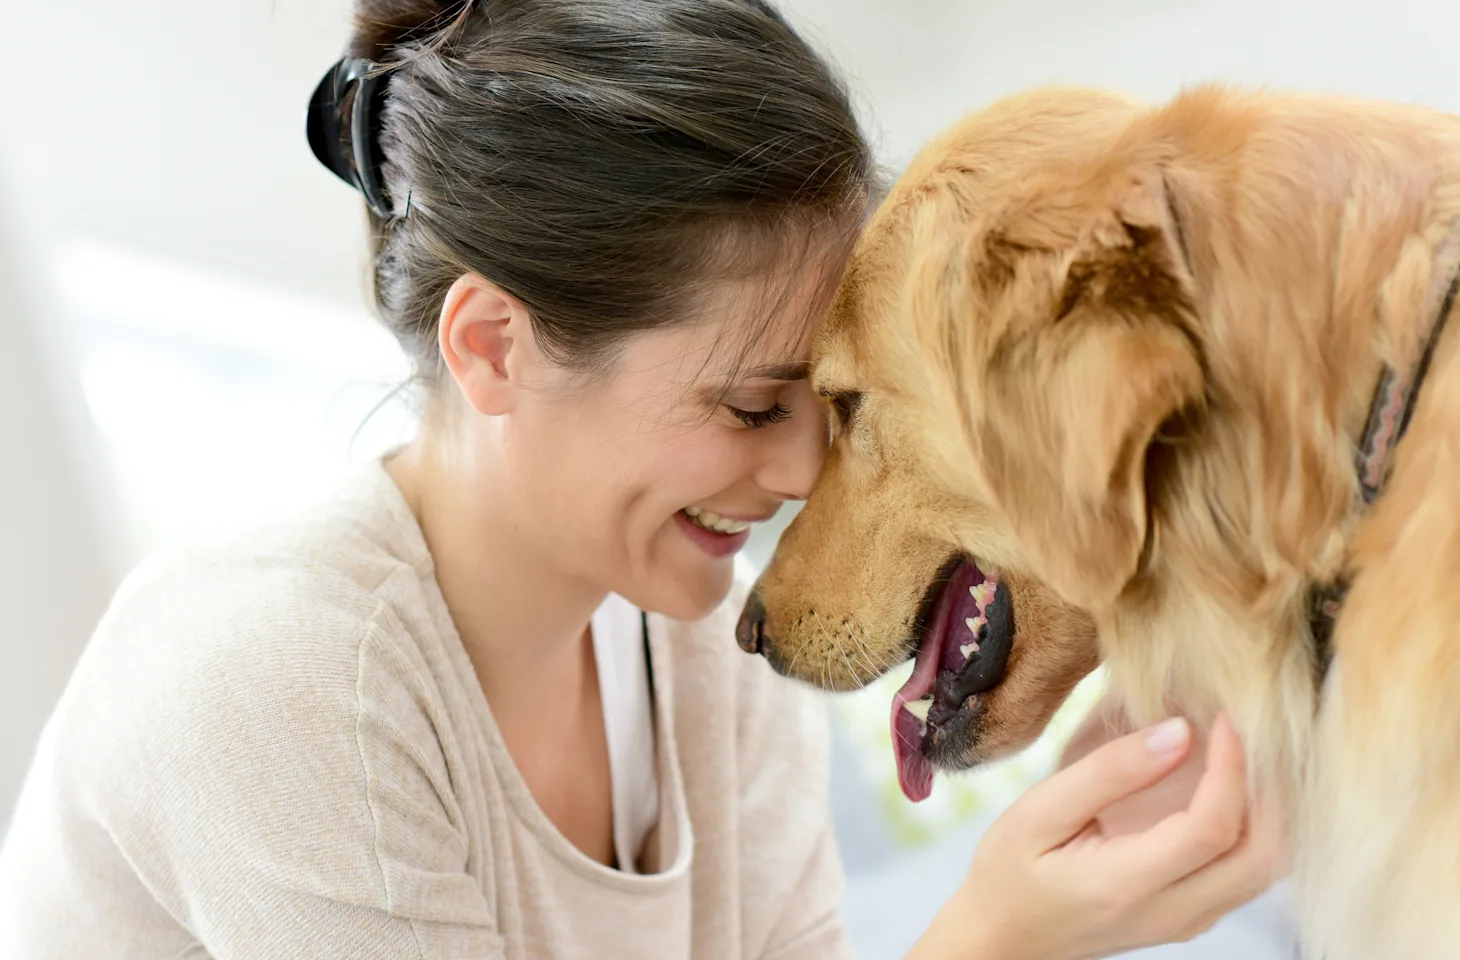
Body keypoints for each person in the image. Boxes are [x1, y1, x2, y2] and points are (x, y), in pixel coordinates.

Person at [0, 1, 1285, 957]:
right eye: (748, 404)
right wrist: (992, 938)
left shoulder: (708, 662)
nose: (799, 474)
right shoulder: (279, 675)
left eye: (831, 404)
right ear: (494, 347)